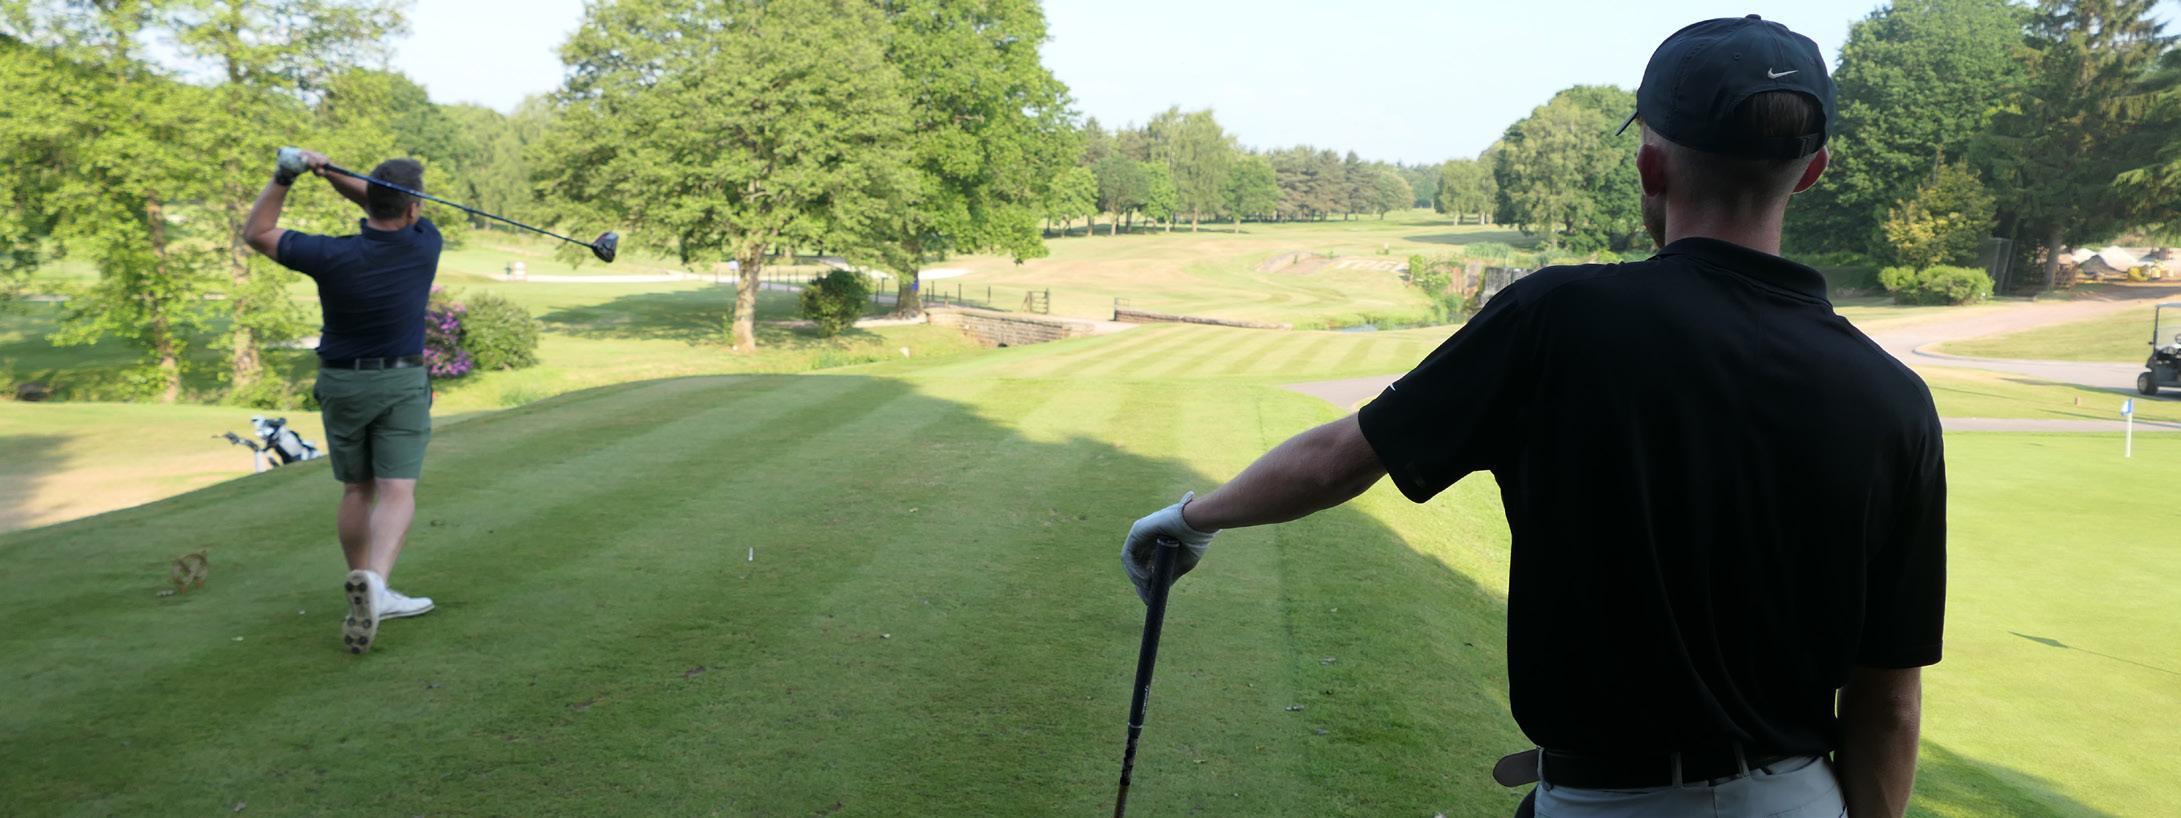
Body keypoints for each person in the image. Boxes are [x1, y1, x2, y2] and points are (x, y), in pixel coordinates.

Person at [1122, 16, 1942, 818]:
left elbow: (1340, 457)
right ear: (1811, 171)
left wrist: (1193, 519)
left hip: (1602, 803)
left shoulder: (1559, 318)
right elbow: (1889, 703)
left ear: (1649, 165)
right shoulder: (1893, 399)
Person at [244, 149, 443, 655]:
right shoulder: (425, 243)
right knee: (396, 490)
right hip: (401, 381)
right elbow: (388, 206)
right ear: (414, 208)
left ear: (370, 201)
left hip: (342, 382)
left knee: (357, 489)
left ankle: (365, 586)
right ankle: (377, 584)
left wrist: (288, 175)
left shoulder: (330, 254)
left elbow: (257, 232)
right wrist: (335, 175)